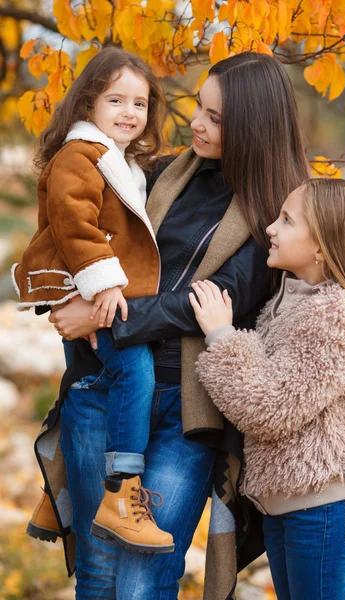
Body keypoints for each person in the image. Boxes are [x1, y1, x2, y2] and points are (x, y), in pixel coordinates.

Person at [30, 52, 310, 599]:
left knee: (146, 574)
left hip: (188, 409)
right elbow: (73, 226)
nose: (197, 125)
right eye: (199, 110)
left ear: (255, 128)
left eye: (216, 118)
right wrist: (63, 299)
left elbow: (211, 301)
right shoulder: (155, 174)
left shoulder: (273, 215)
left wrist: (103, 316)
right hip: (104, 389)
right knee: (99, 565)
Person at [193, 178, 345, 600]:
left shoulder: (336, 315)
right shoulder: (287, 302)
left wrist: (221, 337)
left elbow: (270, 408)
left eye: (287, 220)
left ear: (321, 246)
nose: (270, 227)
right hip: (287, 501)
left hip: (320, 505)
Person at [12, 46, 174, 553]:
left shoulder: (118, 160)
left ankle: (60, 491)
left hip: (95, 290)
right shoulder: (80, 156)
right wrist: (104, 281)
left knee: (86, 378)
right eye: (116, 101)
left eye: (140, 104)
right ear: (87, 106)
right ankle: (122, 492)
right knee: (135, 372)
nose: (130, 113)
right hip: (88, 289)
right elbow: (73, 219)